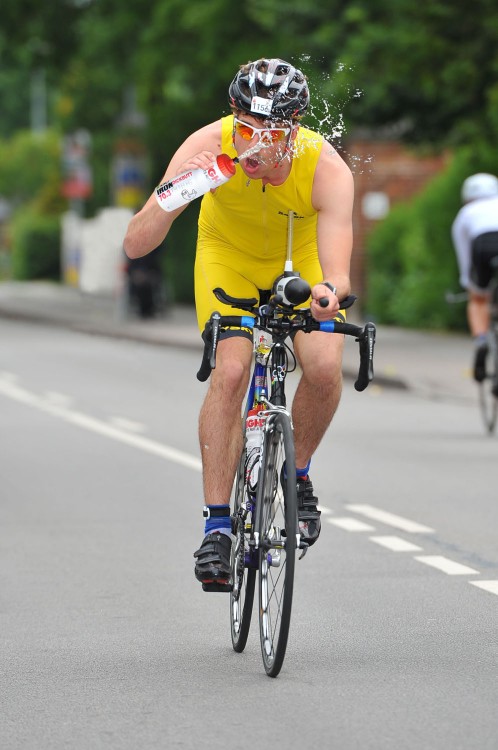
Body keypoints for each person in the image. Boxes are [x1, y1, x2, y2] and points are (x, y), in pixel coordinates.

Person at [123, 58, 354, 590]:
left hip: (301, 265)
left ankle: (298, 477)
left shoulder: (325, 166)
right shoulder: (208, 142)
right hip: (226, 257)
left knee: (323, 366)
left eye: (268, 135)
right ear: (234, 118)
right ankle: (219, 528)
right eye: (245, 129)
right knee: (230, 369)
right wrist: (182, 188)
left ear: (293, 129)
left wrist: (326, 296)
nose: (252, 146)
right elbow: (136, 244)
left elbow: (338, 274)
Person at [451, 172, 498, 382]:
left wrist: (469, 284)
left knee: (478, 299)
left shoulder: (466, 213)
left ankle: (480, 340)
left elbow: (465, 256)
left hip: (482, 245)